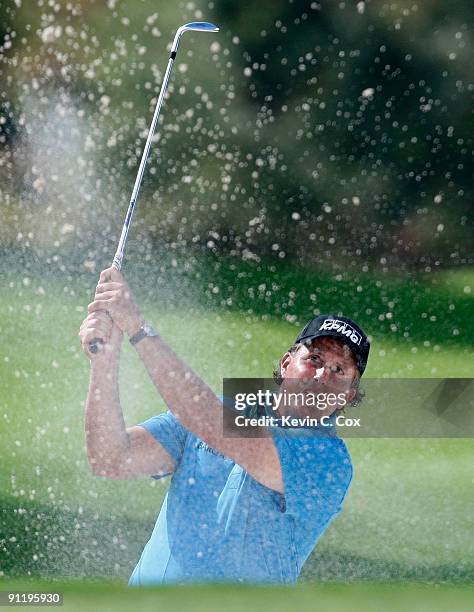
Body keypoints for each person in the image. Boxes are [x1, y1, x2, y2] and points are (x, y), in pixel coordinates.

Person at [78, 267, 370, 585]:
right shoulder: (218, 411)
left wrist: (137, 328)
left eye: (339, 370)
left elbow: (211, 423)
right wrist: (104, 359)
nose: (321, 376)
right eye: (314, 359)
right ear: (287, 364)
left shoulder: (329, 460)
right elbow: (111, 458)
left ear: (348, 395)